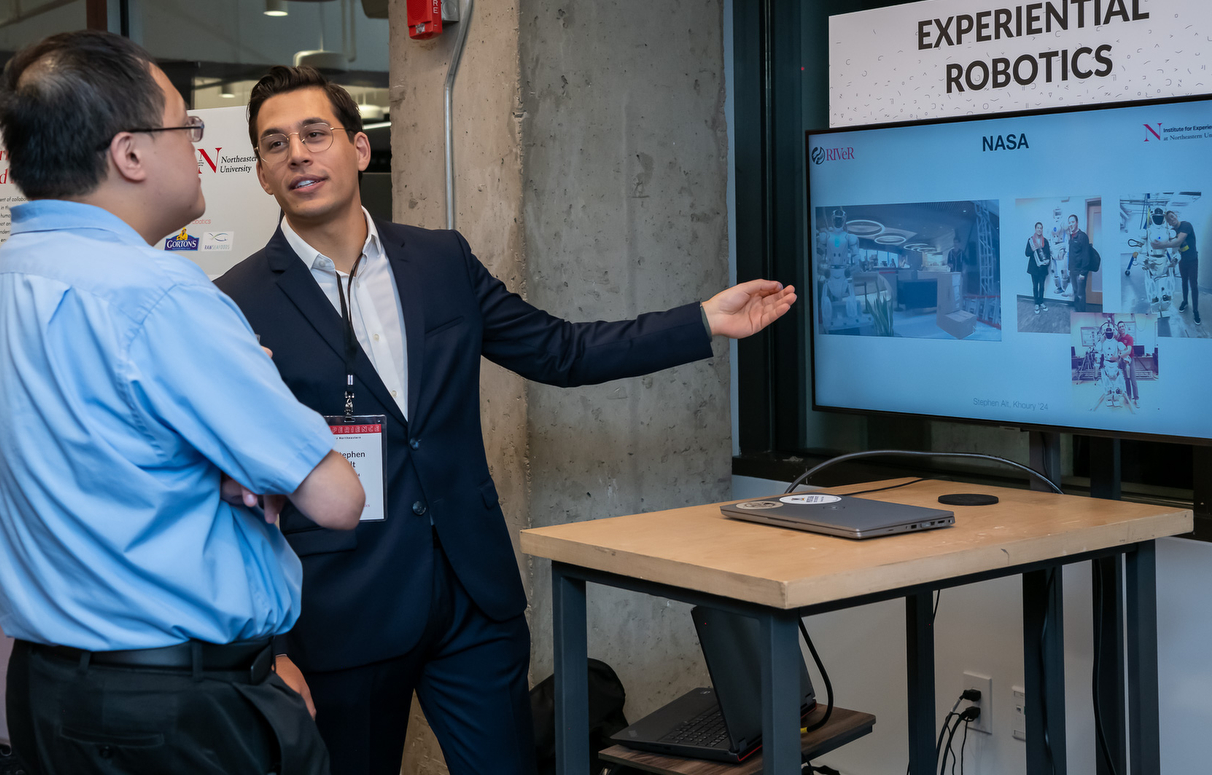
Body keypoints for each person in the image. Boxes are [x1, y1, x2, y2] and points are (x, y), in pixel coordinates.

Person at [214, 65, 796, 775]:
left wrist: (702, 320)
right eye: (275, 146)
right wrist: (267, 650)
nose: (298, 154)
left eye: (315, 134)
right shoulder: (234, 303)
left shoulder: (439, 260)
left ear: (360, 149)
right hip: (339, 613)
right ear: (264, 176)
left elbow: (562, 350)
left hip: (472, 597)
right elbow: (233, 493)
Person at [0, 32, 366, 775]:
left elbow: (96, 466)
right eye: (187, 126)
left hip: (53, 693)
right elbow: (336, 495)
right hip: (175, 714)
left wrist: (212, 462)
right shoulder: (155, 294)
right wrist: (246, 456)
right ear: (131, 154)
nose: (199, 147)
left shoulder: (1, 285)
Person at [1152, 208, 1200, 324]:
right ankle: (1184, 301)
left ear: (1176, 215)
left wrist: (1160, 245)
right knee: (1183, 282)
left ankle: (1196, 311)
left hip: (1192, 260)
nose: (1171, 219)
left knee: (1193, 285)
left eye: (1172, 216)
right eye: (1169, 219)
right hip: (1182, 261)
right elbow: (1173, 246)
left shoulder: (1186, 225)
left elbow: (1178, 242)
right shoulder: (1172, 230)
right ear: (1167, 222)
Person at [1066, 213, 1092, 313]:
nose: (1071, 224)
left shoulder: (1083, 237)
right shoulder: (1071, 236)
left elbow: (1086, 256)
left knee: (1081, 295)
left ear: (1077, 223)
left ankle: (1081, 314)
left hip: (1080, 272)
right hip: (1072, 271)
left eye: (1072, 222)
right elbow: (1072, 255)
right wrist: (1069, 269)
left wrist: (1083, 273)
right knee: (1076, 293)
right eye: (1069, 222)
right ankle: (1077, 312)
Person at [1024, 222, 1050, 313]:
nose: (1039, 229)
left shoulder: (1045, 241)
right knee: (1035, 286)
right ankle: (1036, 303)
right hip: (1034, 268)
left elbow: (1048, 254)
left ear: (1042, 229)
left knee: (1042, 287)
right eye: (1038, 228)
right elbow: (1026, 253)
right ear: (1035, 229)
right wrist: (1032, 250)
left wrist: (1048, 261)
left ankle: (1041, 302)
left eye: (1041, 228)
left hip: (1042, 268)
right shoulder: (1031, 240)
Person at [1115, 319, 1139, 406]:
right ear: (1118, 329)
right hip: (1123, 361)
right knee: (1126, 380)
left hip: (1130, 360)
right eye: (1119, 327)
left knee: (1133, 380)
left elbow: (1128, 351)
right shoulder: (1119, 339)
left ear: (1125, 327)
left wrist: (1118, 356)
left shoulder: (1129, 338)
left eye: (1122, 326)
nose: (1121, 328)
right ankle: (1129, 396)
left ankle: (1136, 398)